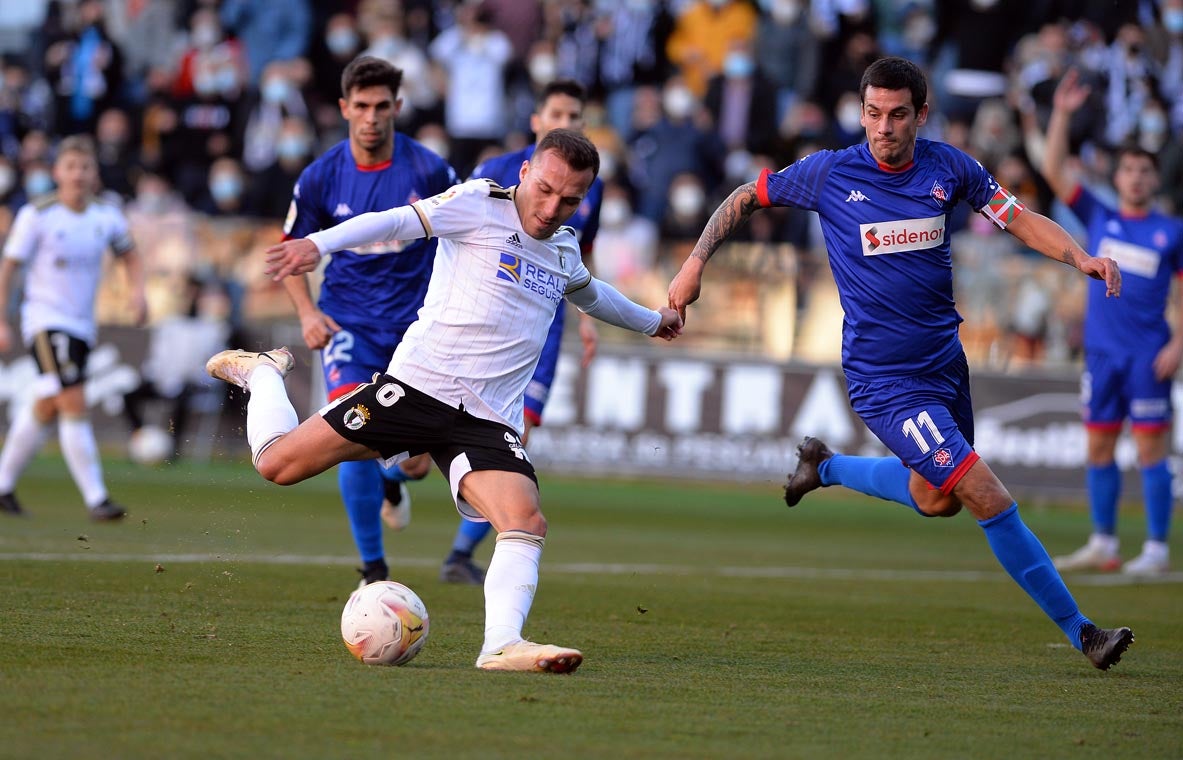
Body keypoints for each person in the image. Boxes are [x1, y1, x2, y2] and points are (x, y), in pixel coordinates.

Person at [667, 57, 1134, 671]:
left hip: (944, 366)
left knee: (937, 498)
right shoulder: (829, 173)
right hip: (884, 381)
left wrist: (1080, 257)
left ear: (921, 114)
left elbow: (1018, 220)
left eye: (896, 115)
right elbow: (745, 196)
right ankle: (1084, 632)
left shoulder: (950, 168)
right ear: (860, 111)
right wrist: (695, 262)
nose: (883, 128)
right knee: (985, 493)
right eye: (872, 114)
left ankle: (824, 467)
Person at [208, 129, 681, 672]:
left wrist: (653, 322)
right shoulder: (478, 205)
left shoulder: (565, 249)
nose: (552, 208)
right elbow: (395, 221)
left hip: (484, 420)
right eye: (546, 189)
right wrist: (320, 243)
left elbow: (594, 295)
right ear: (525, 172)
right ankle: (264, 376)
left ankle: (501, 643)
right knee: (276, 465)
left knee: (525, 519)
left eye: (570, 199)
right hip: (417, 391)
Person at [279, 55, 458, 587]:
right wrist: (308, 313)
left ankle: (394, 482)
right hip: (348, 325)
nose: (372, 117)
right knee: (345, 425)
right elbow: (291, 249)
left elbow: (465, 234)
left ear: (398, 107)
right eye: (361, 106)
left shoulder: (429, 171)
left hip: (416, 329)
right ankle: (373, 570)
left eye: (382, 106)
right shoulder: (321, 176)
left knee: (416, 462)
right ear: (344, 108)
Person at [438, 79, 602, 586]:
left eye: (574, 115)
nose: (565, 122)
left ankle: (460, 554)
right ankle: (402, 479)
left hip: (542, 334)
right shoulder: (494, 173)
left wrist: (587, 317)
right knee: (429, 450)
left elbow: (577, 260)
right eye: (556, 112)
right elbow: (452, 232)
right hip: (478, 331)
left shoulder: (586, 185)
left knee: (516, 437)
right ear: (535, 119)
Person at [1040, 69, 1183, 576]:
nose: (1137, 177)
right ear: (1118, 177)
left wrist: (1180, 343)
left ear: (1153, 178)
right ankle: (1103, 541)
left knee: (1150, 448)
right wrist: (1060, 113)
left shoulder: (1172, 231)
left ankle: (1157, 550)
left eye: (1146, 171)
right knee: (1099, 443)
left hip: (1149, 355)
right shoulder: (1099, 216)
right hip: (1101, 353)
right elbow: (1054, 170)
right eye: (1129, 170)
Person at [0, 134, 147, 520]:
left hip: (82, 325)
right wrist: (1, 319)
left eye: (85, 167)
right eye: (70, 167)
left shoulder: (107, 215)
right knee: (73, 399)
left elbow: (130, 256)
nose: (78, 175)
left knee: (49, 403)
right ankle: (97, 498)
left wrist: (138, 294)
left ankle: (2, 486)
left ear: (94, 174)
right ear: (57, 173)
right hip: (46, 321)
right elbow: (10, 267)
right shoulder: (38, 215)